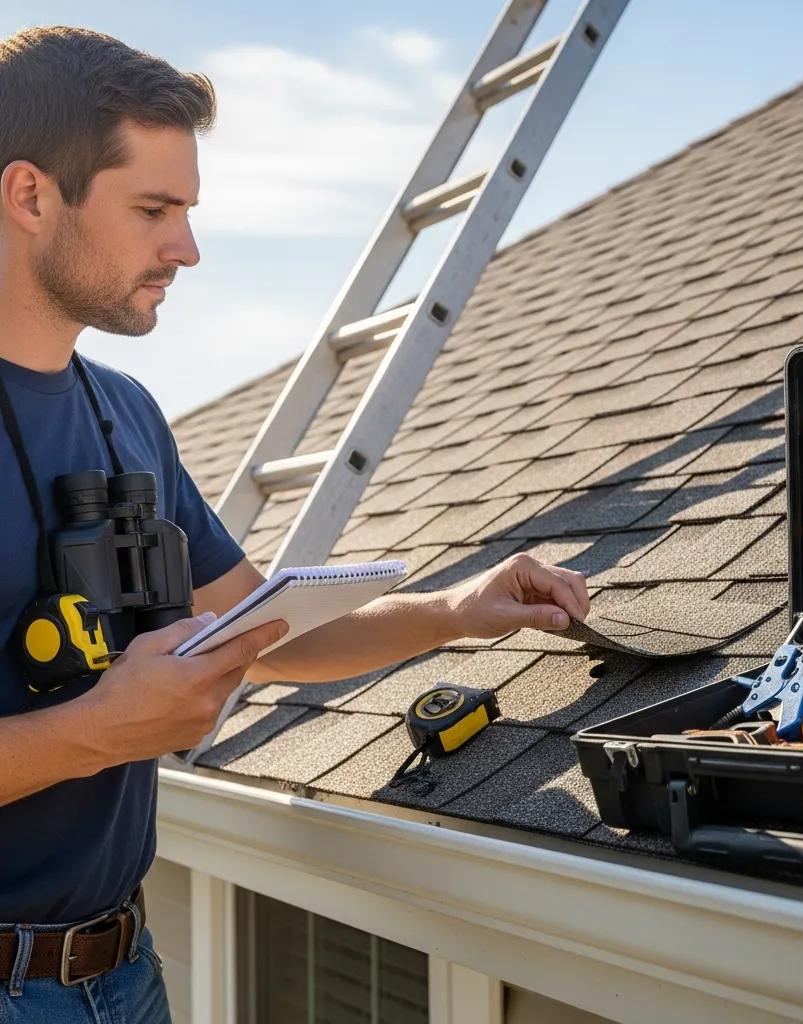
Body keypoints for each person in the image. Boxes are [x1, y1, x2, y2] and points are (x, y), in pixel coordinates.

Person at [0, 26, 590, 1022]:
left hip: (125, 975)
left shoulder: (130, 415)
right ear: (29, 197)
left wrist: (455, 607)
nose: (186, 246)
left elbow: (262, 633)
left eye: (186, 210)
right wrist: (95, 730)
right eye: (154, 208)